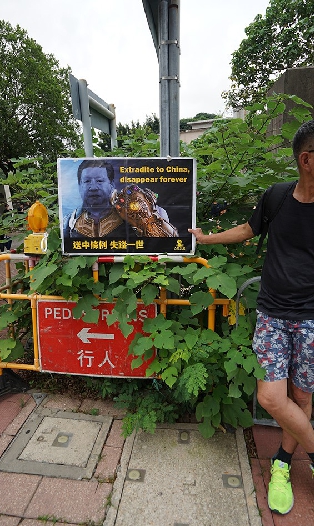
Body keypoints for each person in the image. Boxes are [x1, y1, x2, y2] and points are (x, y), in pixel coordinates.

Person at [188, 119, 314, 516]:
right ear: (307, 159)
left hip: (312, 320)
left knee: (302, 398)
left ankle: (281, 462)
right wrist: (206, 238)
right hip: (274, 314)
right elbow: (246, 229)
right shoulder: (277, 197)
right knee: (271, 397)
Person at [63, 159, 178, 239]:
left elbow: (170, 244)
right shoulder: (69, 222)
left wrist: (144, 219)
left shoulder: (138, 210)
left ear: (111, 184)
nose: (93, 187)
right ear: (79, 185)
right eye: (87, 181)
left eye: (99, 181)